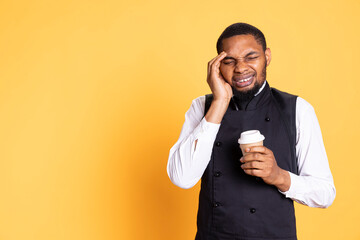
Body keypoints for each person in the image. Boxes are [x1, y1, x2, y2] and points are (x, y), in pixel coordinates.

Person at [167, 23, 336, 240]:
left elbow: (325, 194)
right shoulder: (202, 107)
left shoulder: (297, 109)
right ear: (217, 65)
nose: (240, 68)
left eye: (251, 57)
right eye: (229, 61)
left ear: (267, 56)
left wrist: (279, 176)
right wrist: (220, 102)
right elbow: (182, 178)